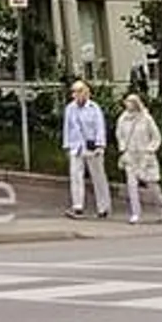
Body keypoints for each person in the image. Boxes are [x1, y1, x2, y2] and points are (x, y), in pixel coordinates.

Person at [62, 77, 109, 217]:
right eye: (74, 92)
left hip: (92, 147)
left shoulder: (94, 108)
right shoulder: (70, 108)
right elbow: (67, 128)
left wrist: (100, 145)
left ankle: (103, 207)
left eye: (78, 91)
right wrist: (67, 146)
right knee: (76, 176)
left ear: (86, 92)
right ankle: (77, 206)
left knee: (98, 177)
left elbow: (100, 127)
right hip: (76, 146)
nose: (75, 94)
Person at [118, 88, 162, 222]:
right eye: (127, 101)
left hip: (145, 156)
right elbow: (120, 135)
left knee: (152, 184)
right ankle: (135, 213)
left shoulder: (146, 119)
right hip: (131, 155)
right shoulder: (122, 119)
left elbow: (156, 137)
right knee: (131, 185)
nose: (128, 104)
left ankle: (161, 205)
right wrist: (123, 149)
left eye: (131, 102)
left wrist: (150, 149)